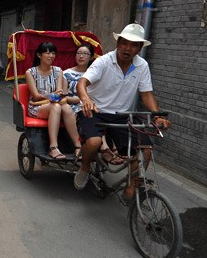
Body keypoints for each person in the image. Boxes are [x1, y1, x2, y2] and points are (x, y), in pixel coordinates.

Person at [73, 23, 171, 194]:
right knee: (94, 142)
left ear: (139, 48)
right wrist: (86, 99)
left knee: (145, 150)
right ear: (118, 44)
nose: (128, 48)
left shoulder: (142, 66)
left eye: (134, 45)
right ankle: (85, 167)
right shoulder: (103, 62)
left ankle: (131, 188)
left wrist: (157, 116)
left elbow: (146, 95)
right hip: (95, 111)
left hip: (121, 116)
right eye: (124, 43)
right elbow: (82, 83)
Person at [64, 45, 122, 165]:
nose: (81, 56)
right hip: (73, 106)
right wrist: (82, 100)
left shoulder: (97, 72)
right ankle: (104, 148)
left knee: (102, 113)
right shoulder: (66, 73)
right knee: (90, 113)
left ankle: (111, 146)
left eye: (85, 54)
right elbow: (63, 97)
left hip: (94, 105)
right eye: (78, 53)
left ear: (91, 57)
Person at [25, 41, 82, 160]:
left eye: (53, 53)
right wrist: (53, 95)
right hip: (37, 107)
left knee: (65, 107)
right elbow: (36, 96)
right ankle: (53, 147)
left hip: (56, 104)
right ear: (39, 55)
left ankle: (78, 146)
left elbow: (60, 92)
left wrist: (52, 95)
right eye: (47, 53)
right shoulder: (31, 73)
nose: (51, 56)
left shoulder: (58, 71)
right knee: (57, 106)